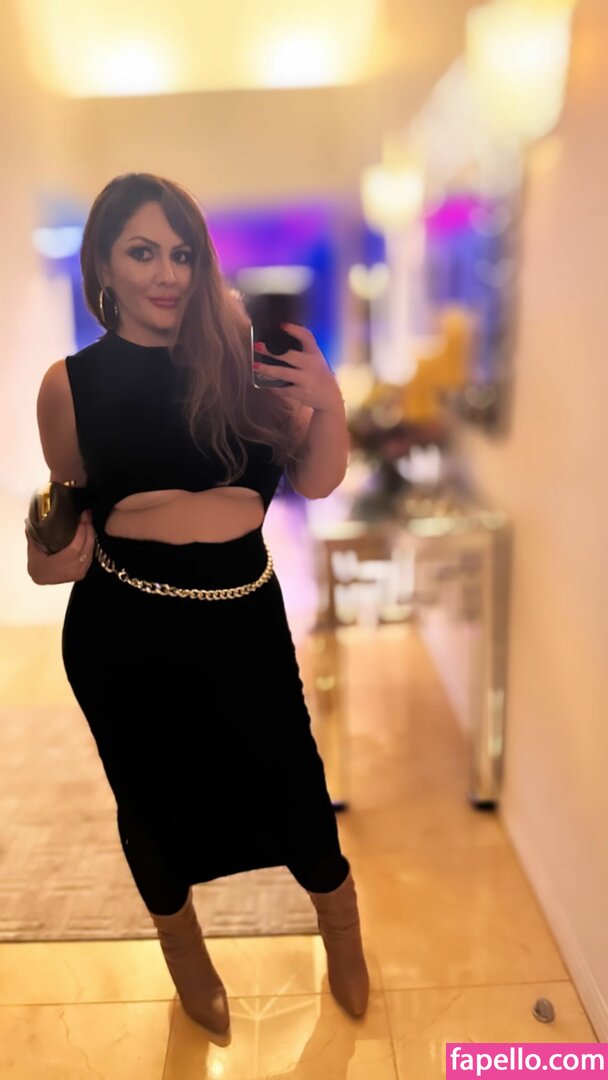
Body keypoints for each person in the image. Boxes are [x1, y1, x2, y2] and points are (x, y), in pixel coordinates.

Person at [25, 172, 369, 1037]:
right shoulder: (68, 385)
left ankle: (342, 931)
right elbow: (69, 512)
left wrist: (327, 399)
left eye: (182, 254)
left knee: (294, 784)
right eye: (143, 252)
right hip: (124, 626)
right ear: (103, 264)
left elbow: (318, 479)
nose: (167, 273)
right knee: (150, 799)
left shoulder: (250, 363)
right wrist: (45, 554)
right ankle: (186, 956)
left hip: (243, 615)